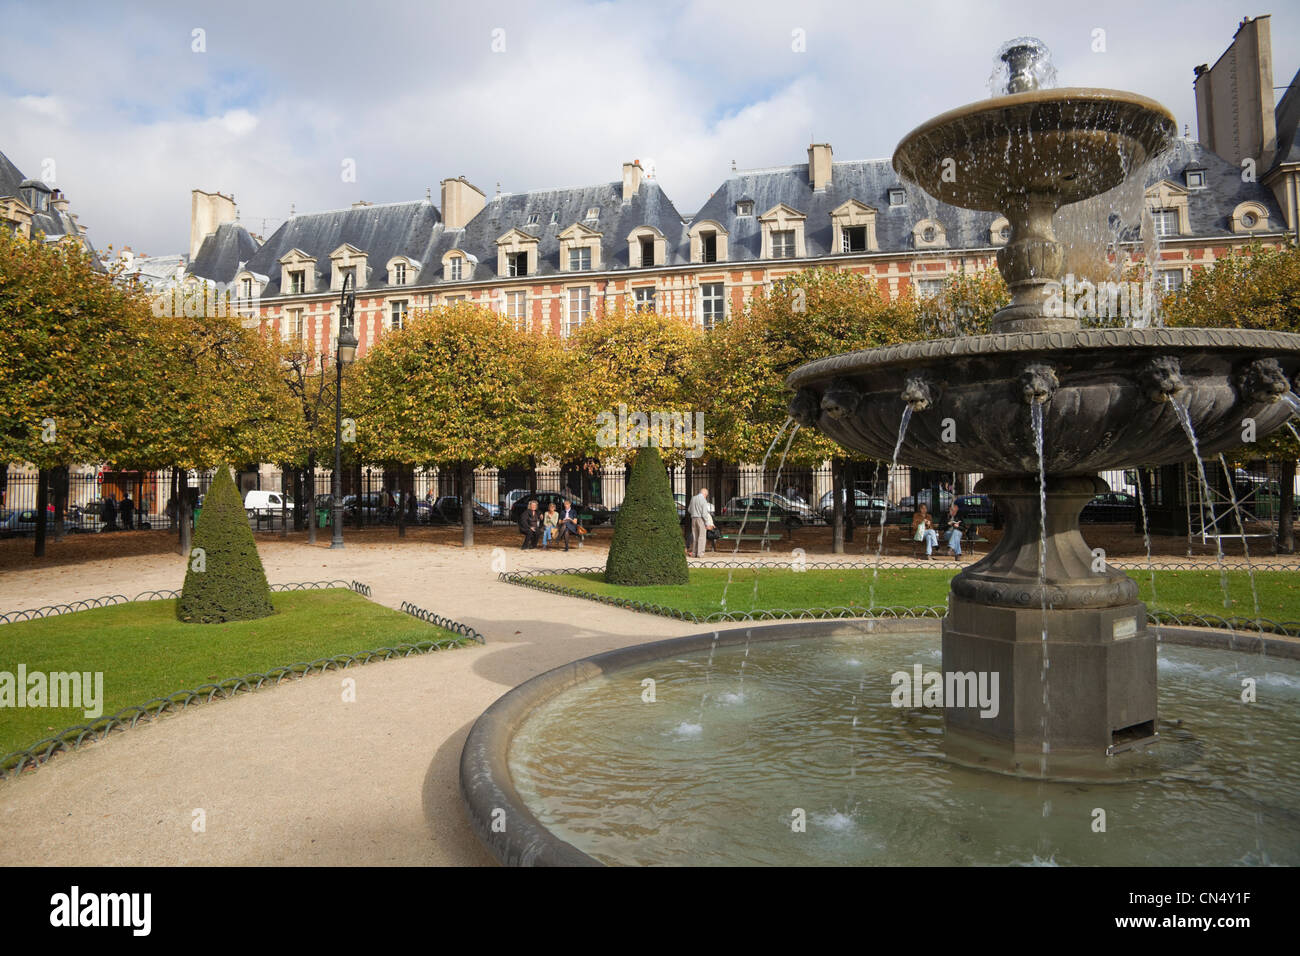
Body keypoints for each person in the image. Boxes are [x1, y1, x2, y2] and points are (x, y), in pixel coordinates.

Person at [687, 487, 714, 558]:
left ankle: (694, 553)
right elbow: (704, 514)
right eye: (706, 495)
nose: (706, 497)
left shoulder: (693, 498)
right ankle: (700, 554)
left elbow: (689, 509)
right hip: (701, 519)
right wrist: (707, 523)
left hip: (693, 518)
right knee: (702, 537)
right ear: (705, 494)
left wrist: (694, 513)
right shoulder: (703, 500)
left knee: (695, 536)